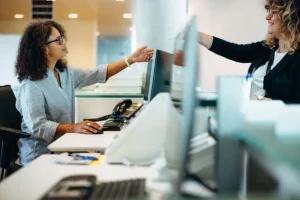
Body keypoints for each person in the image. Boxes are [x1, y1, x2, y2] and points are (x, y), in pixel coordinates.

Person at [15, 20, 154, 166]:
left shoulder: (64, 73)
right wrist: (73, 128)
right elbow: (38, 126)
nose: (64, 42)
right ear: (44, 49)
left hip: (64, 147)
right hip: (39, 156)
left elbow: (98, 73)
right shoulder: (31, 85)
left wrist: (131, 60)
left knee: (105, 160)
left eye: (63, 38)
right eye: (58, 40)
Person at [177, 0, 300, 104]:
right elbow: (234, 51)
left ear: (289, 18)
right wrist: (194, 34)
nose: (267, 17)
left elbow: (296, 105)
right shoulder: (268, 48)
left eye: (273, 13)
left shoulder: (297, 59)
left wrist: (270, 103)